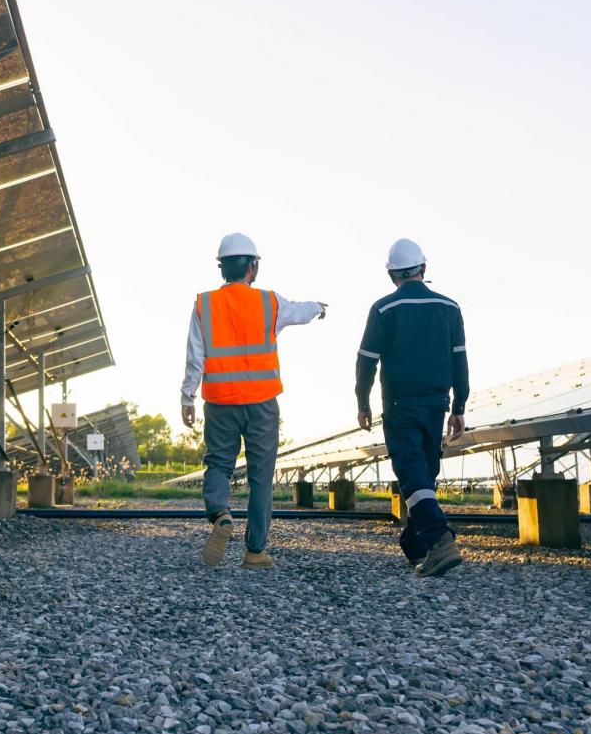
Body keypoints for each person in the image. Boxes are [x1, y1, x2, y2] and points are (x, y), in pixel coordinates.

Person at [181, 232, 327, 569]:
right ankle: (255, 551)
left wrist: (187, 396)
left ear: (222, 269)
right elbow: (299, 311)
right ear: (252, 266)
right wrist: (318, 308)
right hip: (261, 402)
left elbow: (195, 356)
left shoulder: (203, 304)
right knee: (261, 477)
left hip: (218, 401)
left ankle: (220, 514)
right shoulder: (269, 302)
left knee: (218, 463)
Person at [354, 238, 468, 577]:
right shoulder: (450, 308)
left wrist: (362, 402)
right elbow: (460, 360)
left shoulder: (384, 309)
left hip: (401, 405)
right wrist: (459, 405)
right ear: (424, 268)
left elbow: (366, 362)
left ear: (392, 275)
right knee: (424, 473)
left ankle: (439, 540)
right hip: (437, 404)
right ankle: (415, 544)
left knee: (411, 472)